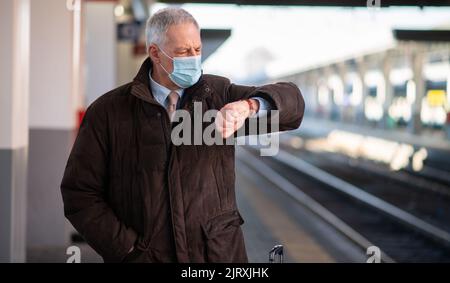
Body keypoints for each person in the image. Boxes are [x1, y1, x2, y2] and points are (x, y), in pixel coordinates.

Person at [60, 7, 304, 263]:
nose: (193, 59)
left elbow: (292, 104)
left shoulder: (217, 96)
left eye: (197, 50)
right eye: (183, 52)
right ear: (155, 52)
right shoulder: (108, 112)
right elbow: (80, 193)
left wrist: (249, 106)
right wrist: (127, 249)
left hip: (216, 257)